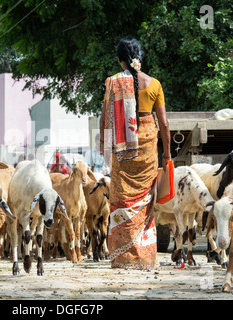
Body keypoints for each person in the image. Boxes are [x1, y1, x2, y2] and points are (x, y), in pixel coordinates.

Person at [100, 37, 171, 270]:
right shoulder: (154, 84)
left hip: (122, 148)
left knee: (122, 200)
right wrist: (167, 155)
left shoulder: (112, 83)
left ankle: (123, 257)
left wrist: (105, 147)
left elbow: (104, 120)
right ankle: (145, 257)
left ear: (120, 59)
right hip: (148, 145)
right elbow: (164, 124)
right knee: (145, 200)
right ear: (139, 56)